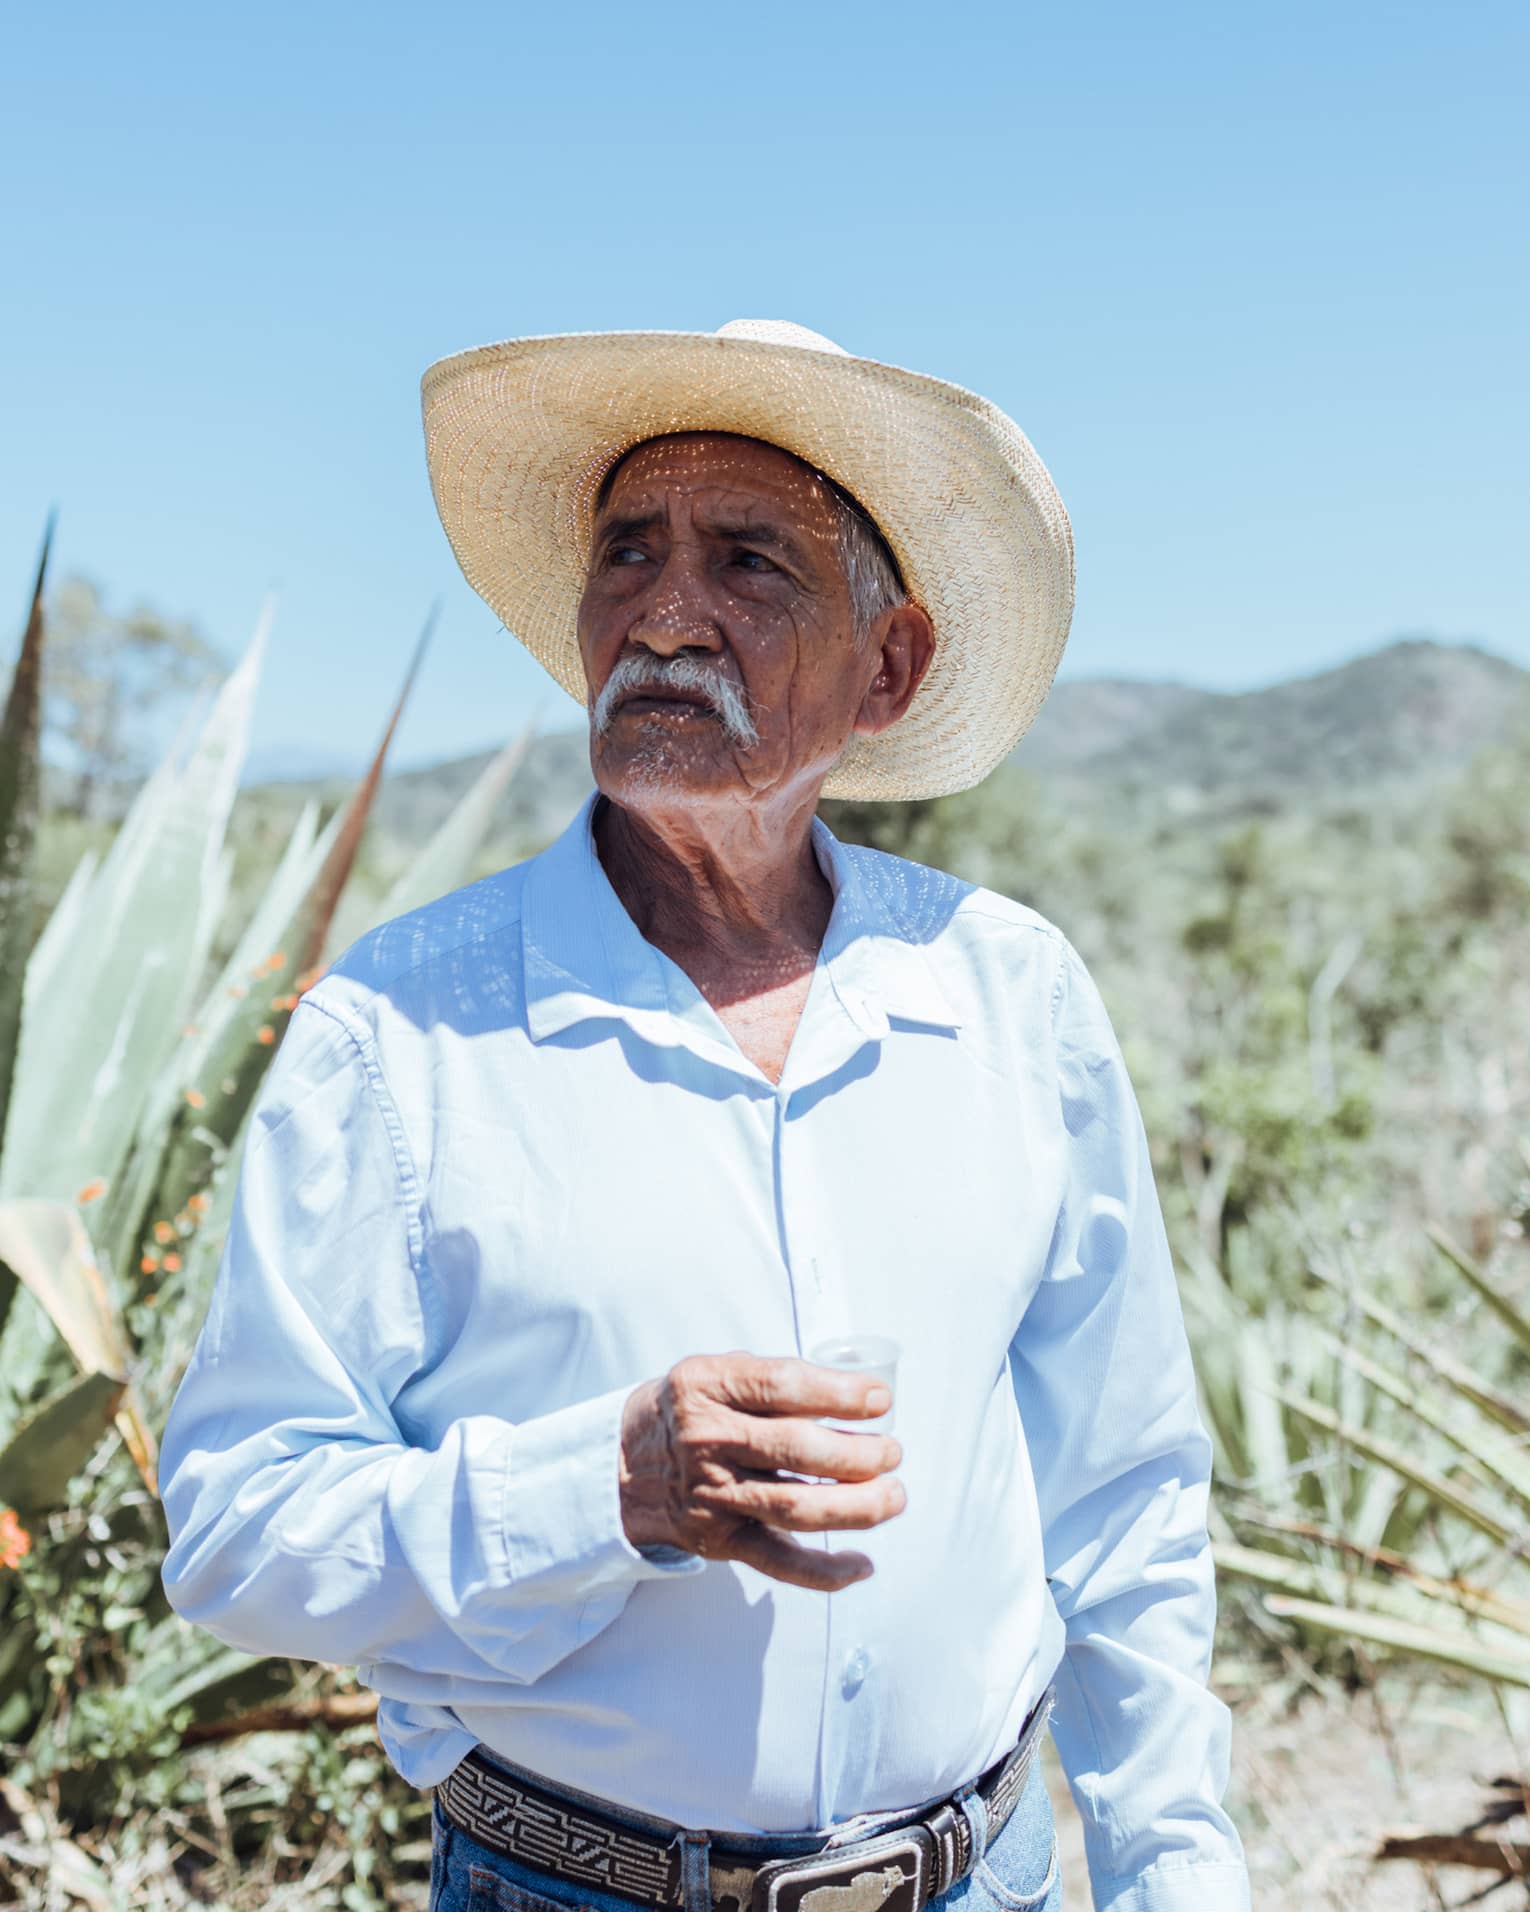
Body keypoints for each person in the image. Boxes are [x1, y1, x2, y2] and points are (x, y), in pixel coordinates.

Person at [160, 319, 1252, 1912]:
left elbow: (1123, 1487)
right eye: (625, 553)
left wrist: (1173, 1867)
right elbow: (237, 1528)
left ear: (887, 669)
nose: (664, 611)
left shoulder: (1011, 996)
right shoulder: (398, 1035)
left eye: (749, 560)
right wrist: (604, 1488)